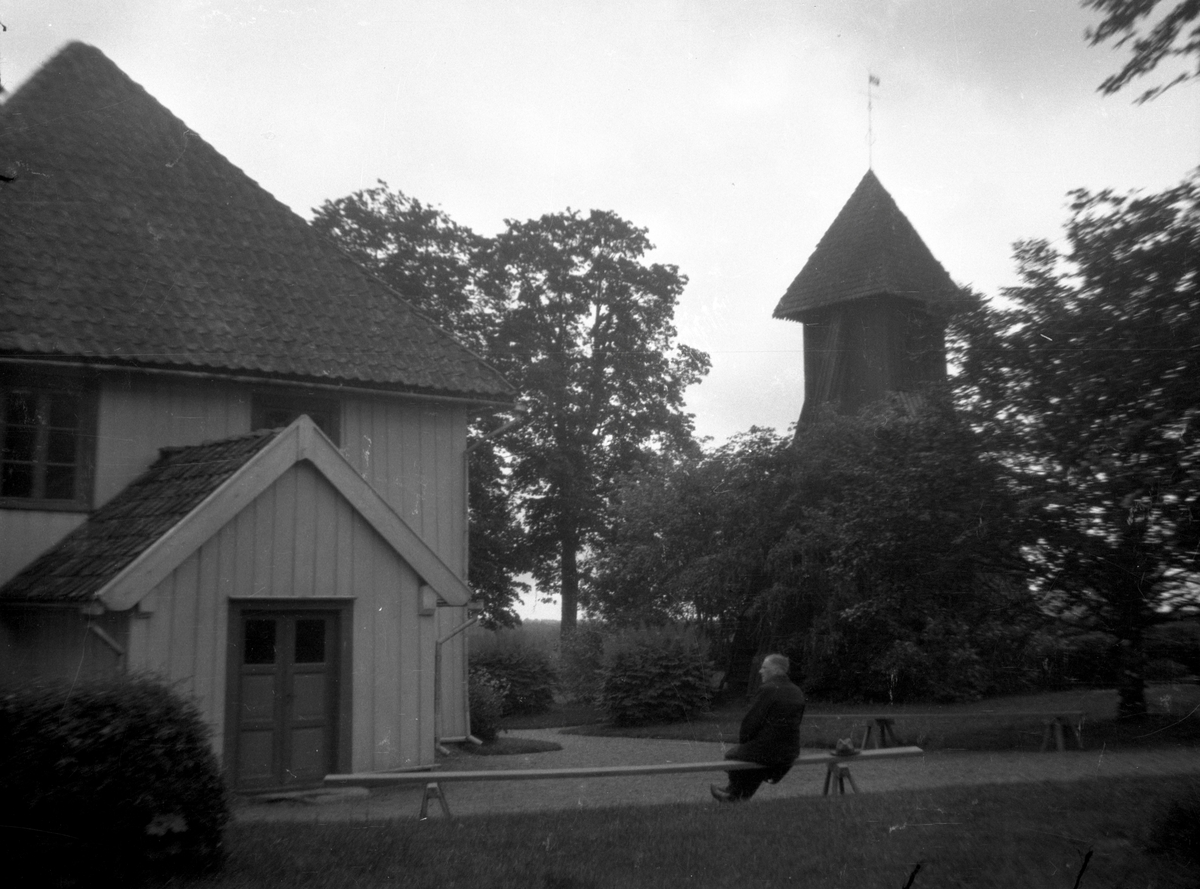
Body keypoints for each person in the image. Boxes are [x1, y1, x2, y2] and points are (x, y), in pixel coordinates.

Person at [710, 653, 806, 802]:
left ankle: (736, 794)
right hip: (791, 751)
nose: (760, 671)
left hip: (769, 750)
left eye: (764, 667)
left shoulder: (768, 689)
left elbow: (751, 722)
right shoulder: (797, 691)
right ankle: (735, 793)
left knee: (732, 756)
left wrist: (745, 742)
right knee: (754, 758)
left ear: (775, 670)